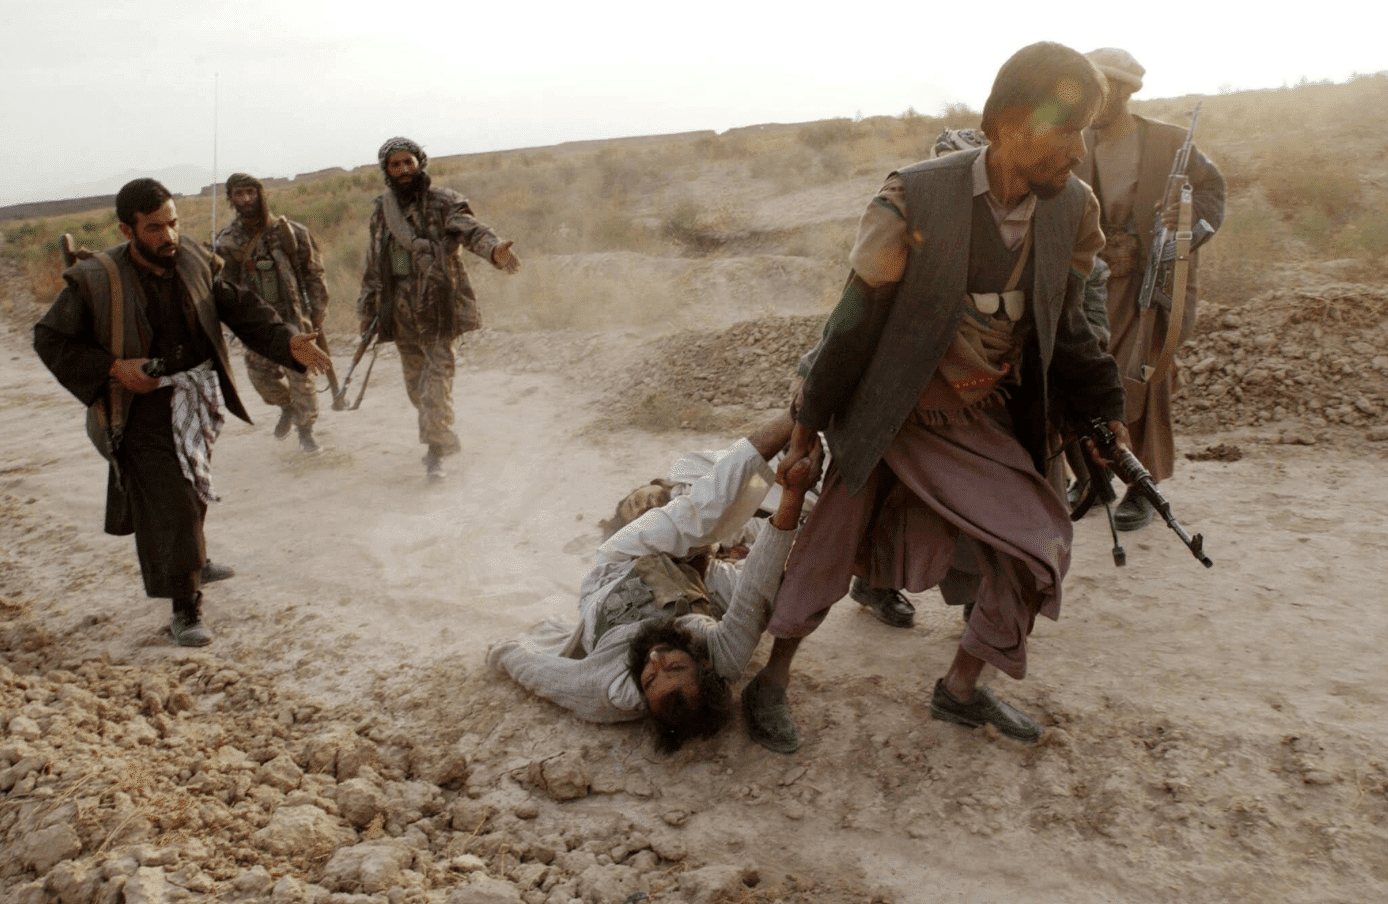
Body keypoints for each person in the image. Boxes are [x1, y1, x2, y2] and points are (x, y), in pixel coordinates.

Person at [742, 42, 1131, 753]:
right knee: (831, 544)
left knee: (1035, 542)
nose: (1078, 151)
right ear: (1011, 124)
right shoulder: (913, 197)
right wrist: (812, 421)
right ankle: (771, 682)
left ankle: (960, 689)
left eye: (1085, 132)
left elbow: (1070, 325)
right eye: (1065, 130)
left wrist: (1104, 413)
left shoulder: (1072, 210)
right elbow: (853, 322)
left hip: (983, 415)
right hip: (895, 412)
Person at [33, 179, 331, 646]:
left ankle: (192, 558)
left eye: (173, 222)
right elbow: (50, 339)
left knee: (191, 487)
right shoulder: (97, 280)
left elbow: (241, 308)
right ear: (127, 230)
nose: (168, 235)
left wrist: (286, 340)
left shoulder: (194, 259)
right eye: (154, 228)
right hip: (138, 407)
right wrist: (114, 368)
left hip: (194, 398)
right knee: (171, 498)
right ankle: (185, 607)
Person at [489, 412, 821, 752]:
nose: (655, 660)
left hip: (622, 568)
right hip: (693, 584)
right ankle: (803, 423)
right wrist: (793, 492)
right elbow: (755, 590)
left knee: (705, 519)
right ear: (705, 666)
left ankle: (796, 420)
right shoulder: (724, 657)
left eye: (648, 678)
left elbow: (531, 668)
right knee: (781, 577)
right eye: (675, 666)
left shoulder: (604, 690)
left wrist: (500, 653)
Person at [1073, 48, 1225, 530]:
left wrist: (1189, 218)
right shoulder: (1072, 144)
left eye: (1101, 91)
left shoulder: (1168, 141)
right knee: (1082, 378)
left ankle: (1143, 484)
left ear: (1123, 91)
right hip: (1090, 286)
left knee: (1140, 379)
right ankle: (1093, 478)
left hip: (1150, 282)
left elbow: (1211, 193)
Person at [356, 137, 522, 480]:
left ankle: (435, 452)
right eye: (395, 164)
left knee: (435, 385)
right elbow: (374, 263)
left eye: (408, 163)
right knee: (417, 388)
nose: (403, 170)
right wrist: (367, 313)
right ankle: (441, 434)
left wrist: (494, 251)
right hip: (401, 314)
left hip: (440, 307)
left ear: (420, 163)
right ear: (386, 170)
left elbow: (471, 231)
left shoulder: (444, 202)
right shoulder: (382, 211)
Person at [214, 173, 331, 453]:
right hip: (258, 323)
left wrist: (317, 313)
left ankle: (306, 431)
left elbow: (314, 272)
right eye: (238, 194)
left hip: (293, 317)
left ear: (260, 194)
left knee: (301, 377)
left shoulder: (289, 231)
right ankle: (285, 406)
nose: (245, 199)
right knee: (260, 378)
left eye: (250, 192)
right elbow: (223, 287)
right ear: (230, 198)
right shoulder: (227, 242)